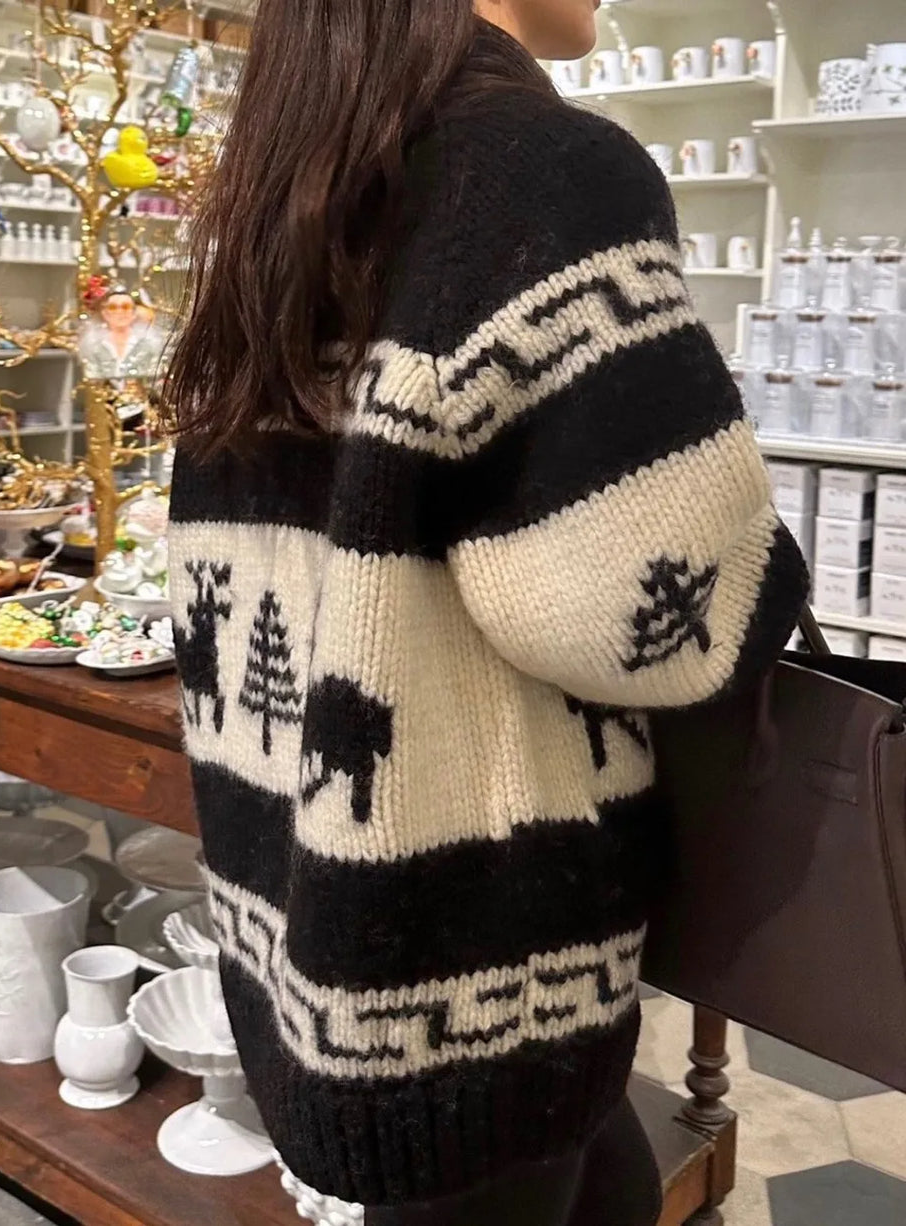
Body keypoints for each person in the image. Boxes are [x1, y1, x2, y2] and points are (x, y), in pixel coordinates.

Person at [165, 2, 809, 1223]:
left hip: (312, 943)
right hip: (482, 970)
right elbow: (650, 602)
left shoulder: (289, 179)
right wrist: (766, 567)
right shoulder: (549, 170)